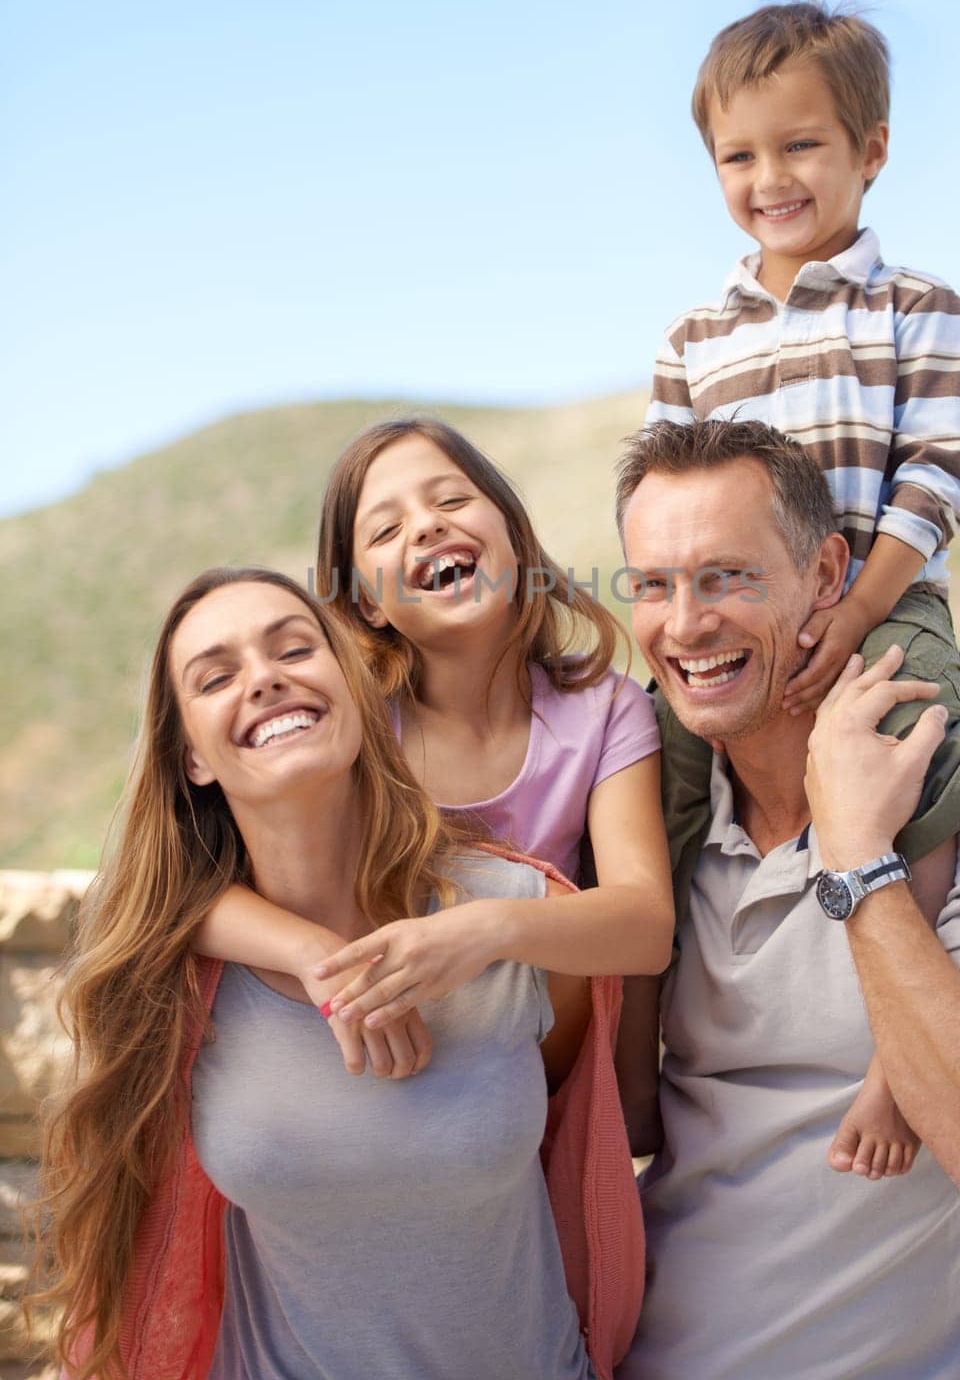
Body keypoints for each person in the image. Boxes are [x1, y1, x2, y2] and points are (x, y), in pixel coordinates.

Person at [32, 568, 645, 1380]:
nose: (265, 678)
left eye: (294, 647)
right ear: (193, 758)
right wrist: (313, 958)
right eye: (217, 677)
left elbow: (576, 1127)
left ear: (354, 692)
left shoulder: (514, 913)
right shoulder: (173, 980)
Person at [614, 419, 960, 1380]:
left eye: (727, 576)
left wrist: (859, 855)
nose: (685, 624)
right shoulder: (654, 832)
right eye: (653, 585)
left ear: (828, 576)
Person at [644, 0, 960, 1176]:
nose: (769, 176)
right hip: (735, 629)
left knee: (923, 766)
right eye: (739, 155)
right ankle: (643, 1054)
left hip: (884, 599)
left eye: (801, 145)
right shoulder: (697, 332)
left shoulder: (916, 308)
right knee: (651, 781)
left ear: (871, 151)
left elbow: (936, 479)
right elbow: (662, 486)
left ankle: (902, 1059)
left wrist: (852, 613)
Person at [191, 418, 674, 1073]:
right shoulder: (351, 726)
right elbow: (188, 891)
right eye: (386, 530)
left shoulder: (607, 709)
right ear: (367, 604)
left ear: (512, 533)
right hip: (376, 1050)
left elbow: (646, 926)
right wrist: (310, 954)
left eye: (450, 501)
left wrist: (484, 931)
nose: (425, 527)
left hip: (539, 1062)